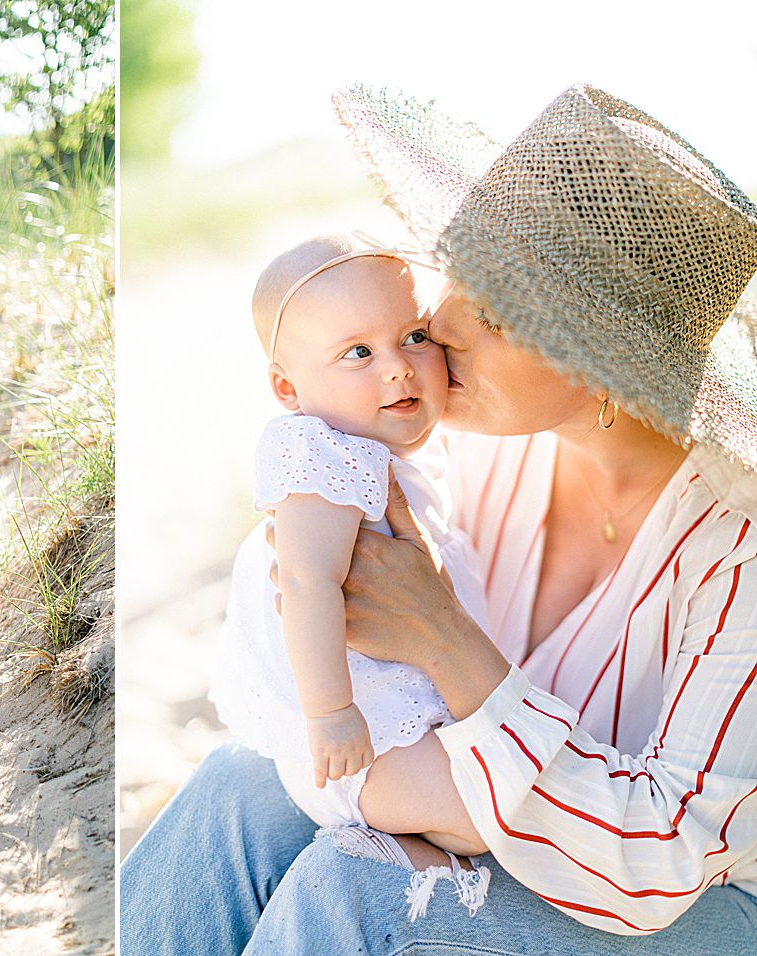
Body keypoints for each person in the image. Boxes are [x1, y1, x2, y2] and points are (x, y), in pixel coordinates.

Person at [121, 85, 757, 954]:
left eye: (495, 314)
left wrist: (447, 643)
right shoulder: (473, 452)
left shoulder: (737, 553)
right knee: (241, 787)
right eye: (454, 277)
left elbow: (658, 860)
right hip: (505, 817)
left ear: (612, 368)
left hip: (689, 904)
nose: (442, 325)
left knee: (365, 887)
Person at [209, 232, 492, 916]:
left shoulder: (380, 452)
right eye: (358, 353)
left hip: (389, 726)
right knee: (487, 821)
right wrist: (330, 713)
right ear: (288, 387)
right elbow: (302, 585)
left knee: (488, 810)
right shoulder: (319, 454)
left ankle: (386, 849)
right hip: (359, 738)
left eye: (416, 336)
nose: (398, 369)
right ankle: (365, 857)